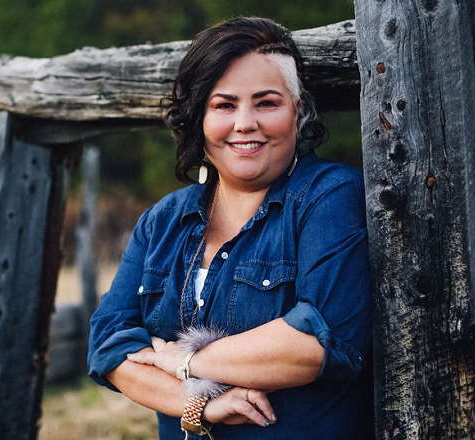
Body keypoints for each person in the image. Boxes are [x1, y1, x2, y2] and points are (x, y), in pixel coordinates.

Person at [87, 17, 373, 440]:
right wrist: (202, 405)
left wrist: (184, 362)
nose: (245, 123)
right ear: (199, 118)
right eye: (224, 105)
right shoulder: (162, 221)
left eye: (266, 102)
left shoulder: (329, 196)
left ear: (298, 112)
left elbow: (319, 345)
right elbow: (109, 346)